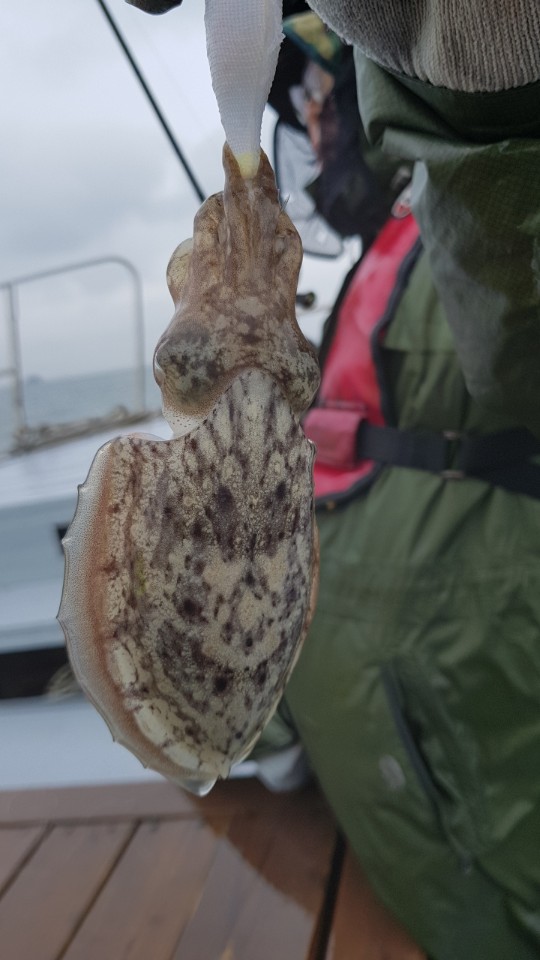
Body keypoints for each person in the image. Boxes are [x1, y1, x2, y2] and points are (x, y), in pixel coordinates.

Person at [126, 4, 540, 958]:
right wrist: (262, 727)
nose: (312, 130)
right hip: (407, 834)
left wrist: (465, 63)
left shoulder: (471, 249)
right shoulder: (376, 267)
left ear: (379, 90)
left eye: (321, 94)